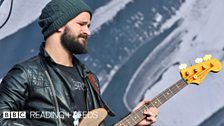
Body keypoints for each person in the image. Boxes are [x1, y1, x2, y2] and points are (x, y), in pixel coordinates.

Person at [0, 0, 159, 126]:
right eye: (81, 24)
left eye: (89, 26)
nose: (87, 31)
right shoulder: (25, 75)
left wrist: (134, 122)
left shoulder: (89, 79)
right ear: (59, 25)